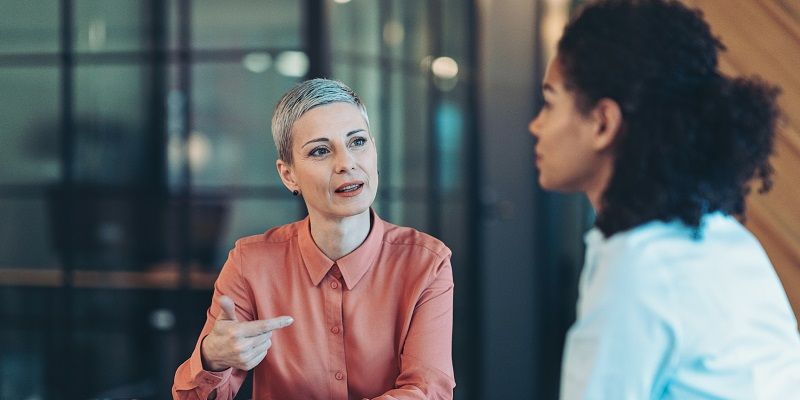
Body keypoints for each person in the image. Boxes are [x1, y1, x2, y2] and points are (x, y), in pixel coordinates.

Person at [527, 0, 800, 398]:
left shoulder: (638, 269)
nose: (536, 125)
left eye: (550, 103)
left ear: (603, 122)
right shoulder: (719, 234)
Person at [173, 79, 455, 399]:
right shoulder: (250, 263)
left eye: (357, 142)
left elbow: (427, 391)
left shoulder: (426, 263)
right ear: (288, 174)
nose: (346, 163)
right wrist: (212, 359)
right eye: (321, 150)